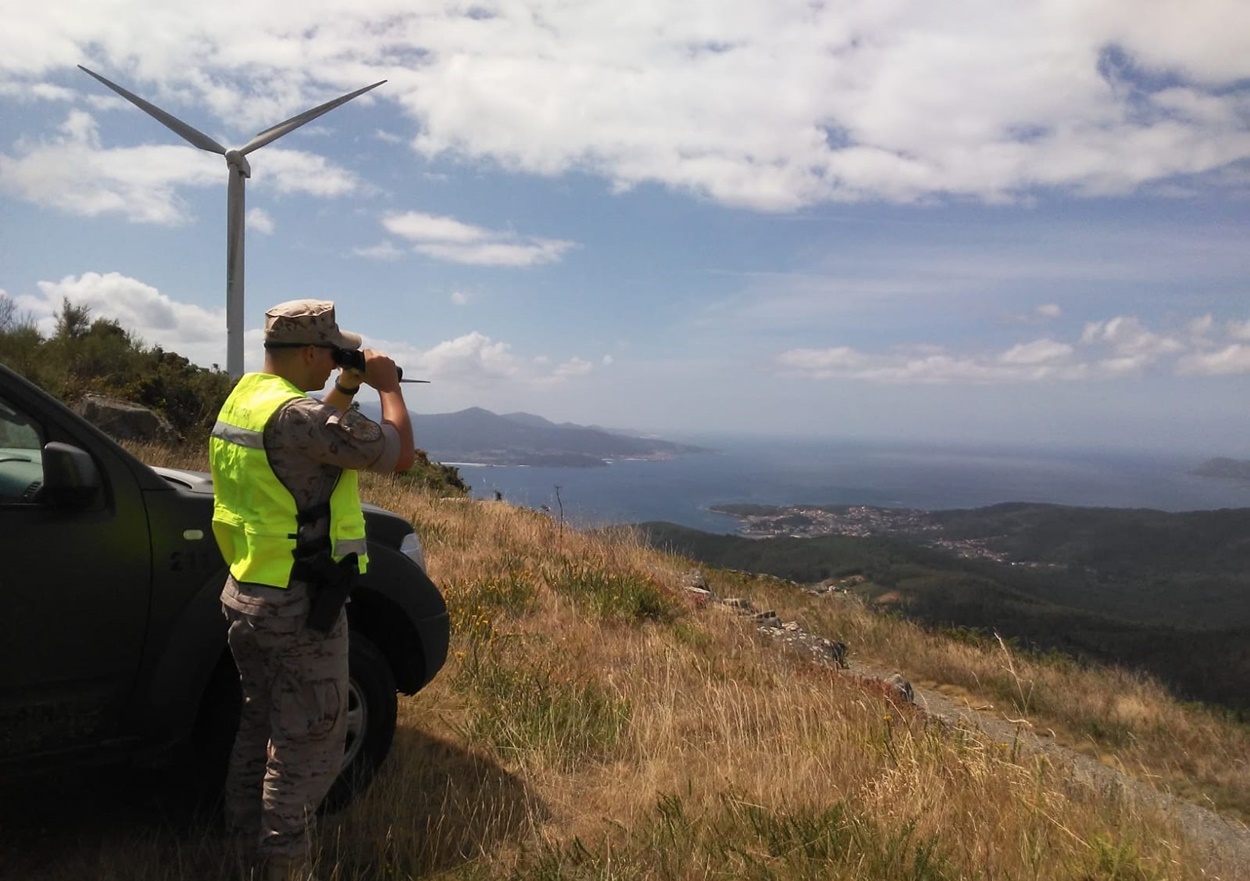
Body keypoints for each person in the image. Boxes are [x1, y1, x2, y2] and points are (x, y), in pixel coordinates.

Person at [209, 299, 414, 880]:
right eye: (330, 353)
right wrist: (388, 387)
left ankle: (239, 847)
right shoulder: (299, 417)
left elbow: (307, 436)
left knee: (258, 723)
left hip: (248, 588)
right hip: (297, 606)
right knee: (308, 746)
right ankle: (281, 865)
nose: (333, 363)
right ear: (307, 352)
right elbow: (397, 455)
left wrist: (347, 384)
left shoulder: (246, 399)